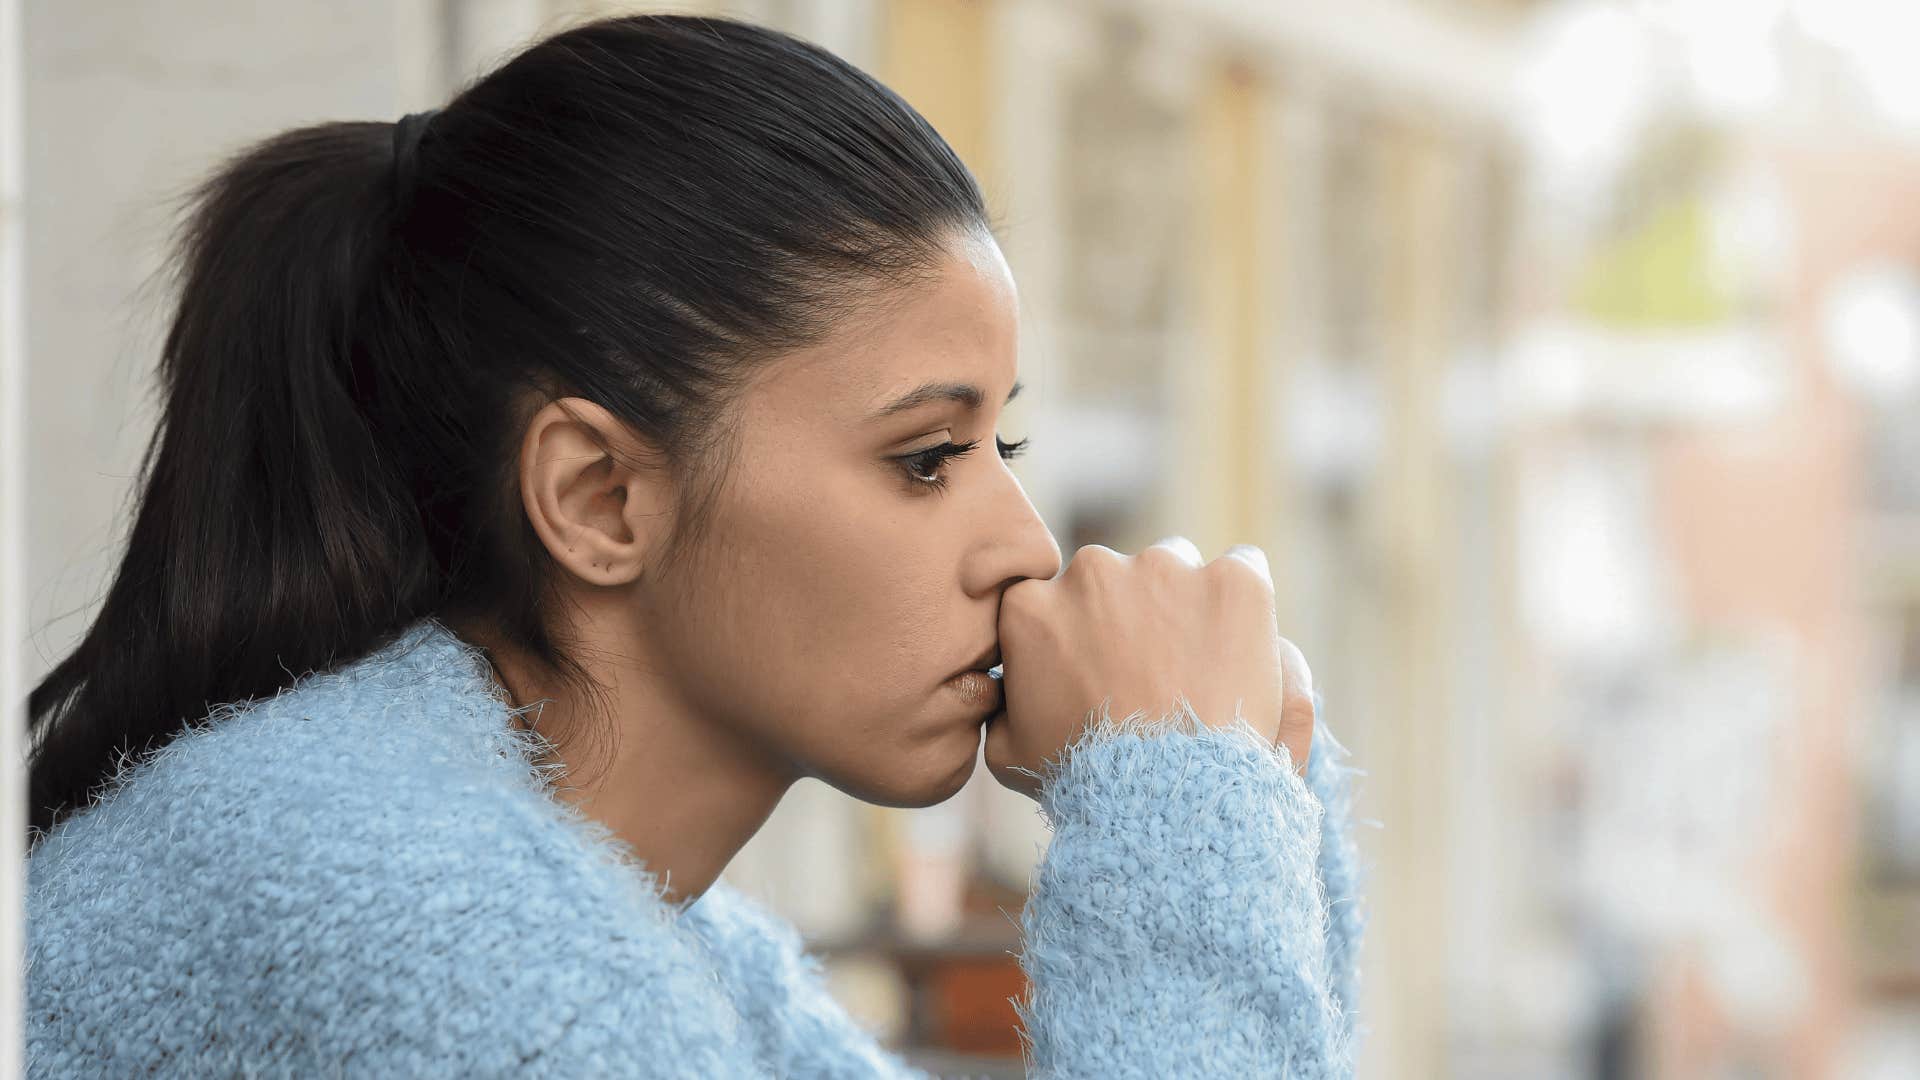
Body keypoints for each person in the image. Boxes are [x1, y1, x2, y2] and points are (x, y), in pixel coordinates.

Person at [22, 12, 1367, 1077]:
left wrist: (1252, 791)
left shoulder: (632, 940)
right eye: (925, 460)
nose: (1022, 550)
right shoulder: (464, 952)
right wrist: (1180, 801)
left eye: (998, 451)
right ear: (602, 499)